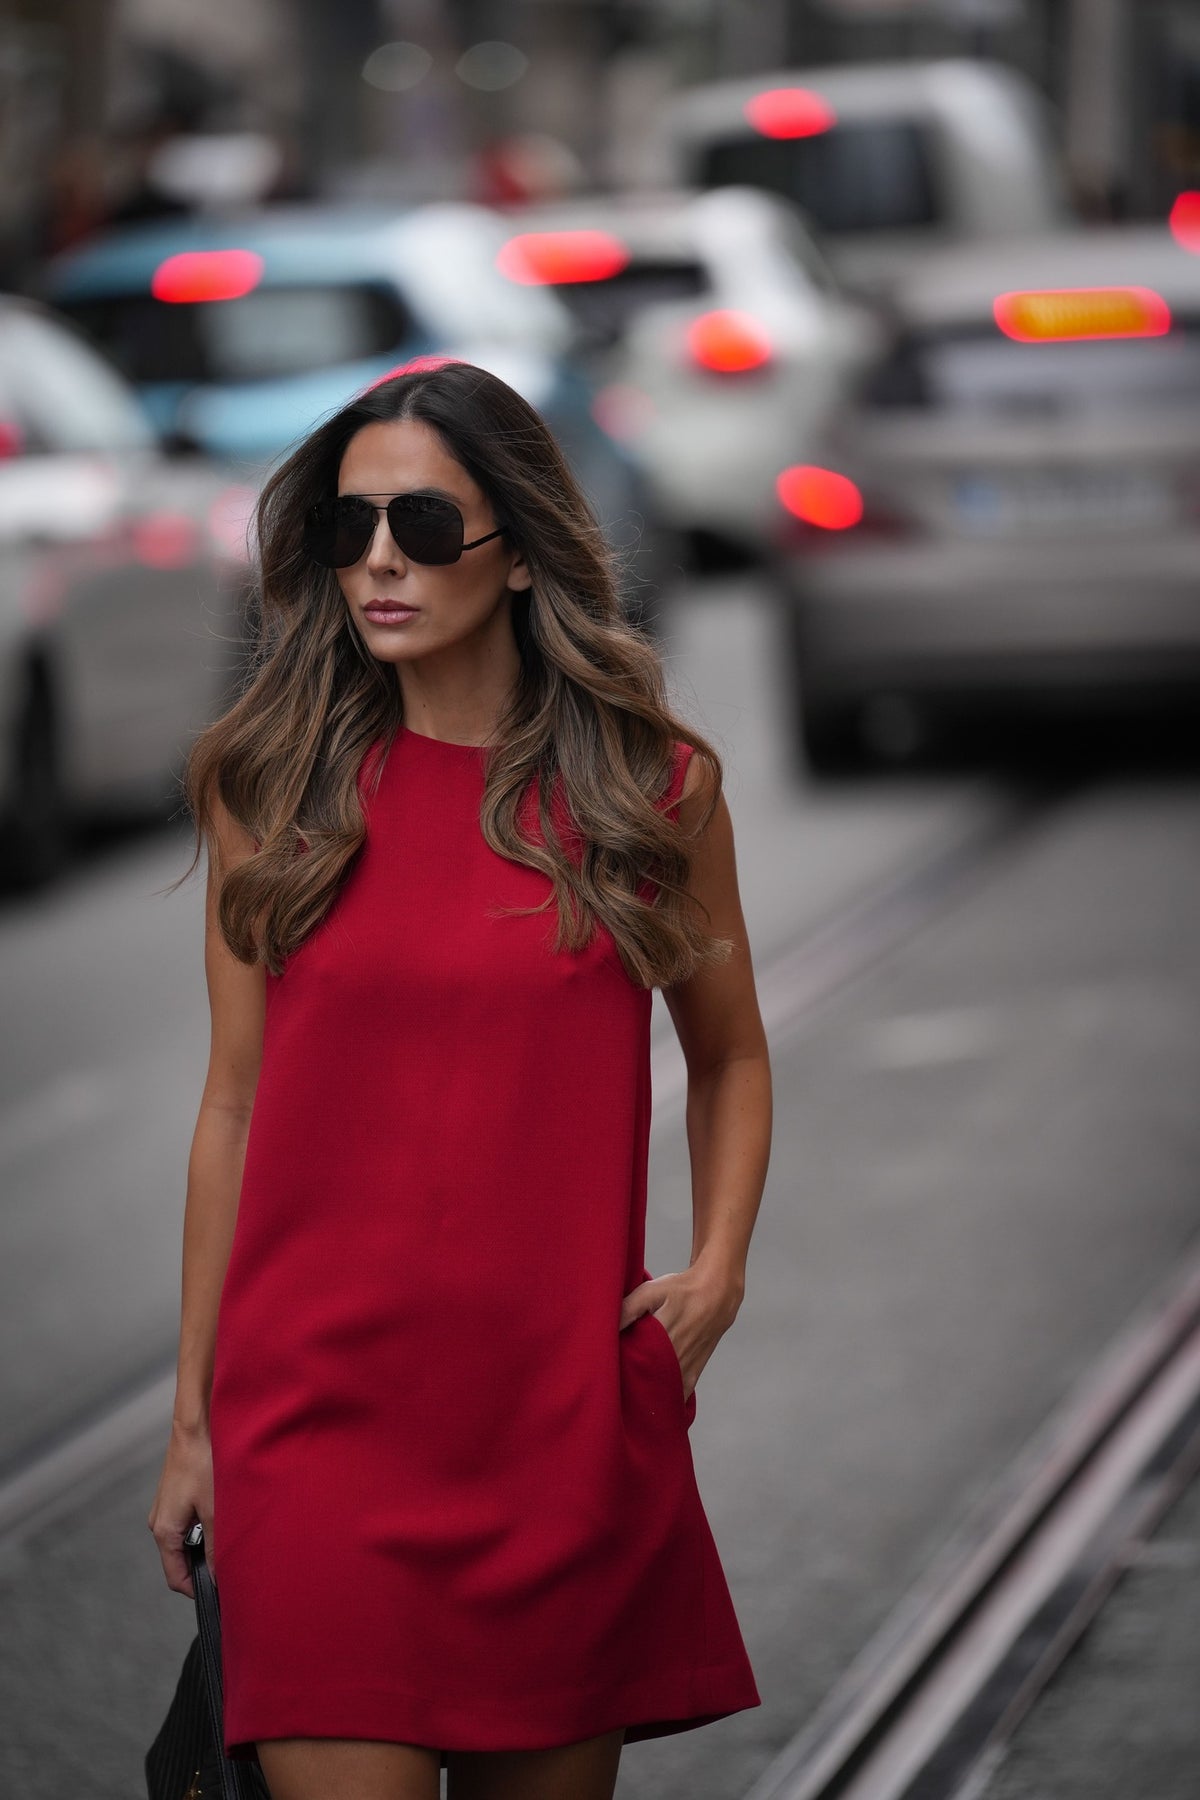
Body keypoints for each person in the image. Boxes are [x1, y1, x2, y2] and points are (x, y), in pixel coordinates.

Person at [147, 355, 773, 1800]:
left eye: (423, 528)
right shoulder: (270, 788)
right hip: (312, 1436)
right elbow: (231, 1108)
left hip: (556, 1434)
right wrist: (193, 1424)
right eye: (348, 528)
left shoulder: (648, 790)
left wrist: (719, 1271)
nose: (378, 562)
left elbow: (730, 1053)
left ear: (517, 554)